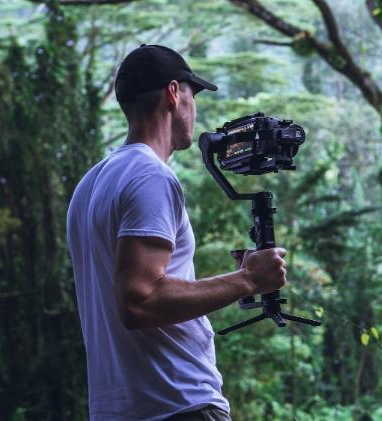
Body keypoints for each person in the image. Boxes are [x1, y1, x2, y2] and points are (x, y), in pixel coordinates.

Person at [66, 44, 288, 421]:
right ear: (173, 93)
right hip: (177, 403)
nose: (193, 108)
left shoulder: (90, 185)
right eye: (192, 94)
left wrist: (235, 279)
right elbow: (140, 301)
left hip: (117, 410)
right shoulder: (150, 175)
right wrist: (249, 279)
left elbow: (139, 286)